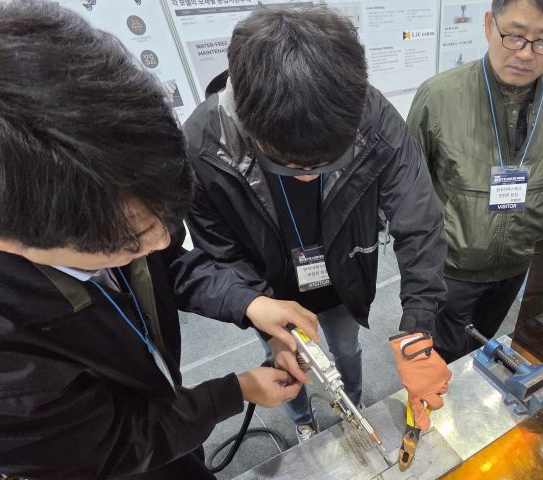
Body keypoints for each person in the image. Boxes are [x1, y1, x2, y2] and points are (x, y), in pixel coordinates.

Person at [0, 2, 320, 480]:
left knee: (185, 450)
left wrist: (248, 303)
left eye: (164, 221)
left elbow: (164, 266)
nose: (159, 243)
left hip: (151, 378)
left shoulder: (110, 207)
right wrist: (231, 392)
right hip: (113, 437)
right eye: (130, 241)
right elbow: (112, 442)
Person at [175, 6, 450, 443]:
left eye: (328, 162)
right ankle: (302, 420)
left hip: (343, 279)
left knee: (346, 347)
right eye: (288, 165)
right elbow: (223, 254)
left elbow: (419, 220)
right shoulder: (204, 147)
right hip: (268, 290)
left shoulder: (370, 114)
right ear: (248, 120)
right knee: (287, 363)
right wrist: (259, 310)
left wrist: (419, 325)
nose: (308, 176)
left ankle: (351, 405)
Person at [406, 0, 543, 364]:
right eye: (514, 35)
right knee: (441, 356)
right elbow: (409, 191)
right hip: (451, 267)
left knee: (481, 351)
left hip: (516, 263)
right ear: (489, 25)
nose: (525, 53)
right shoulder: (438, 96)